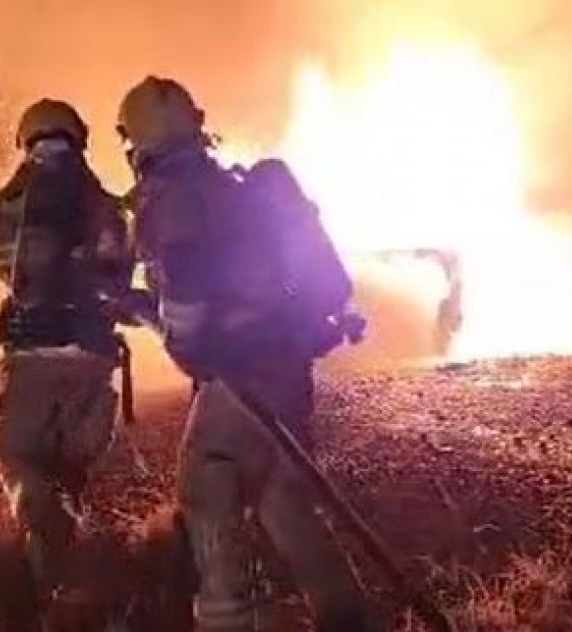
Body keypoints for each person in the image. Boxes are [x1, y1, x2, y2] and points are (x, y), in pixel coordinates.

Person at [117, 76, 380, 632]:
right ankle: (347, 618)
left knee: (204, 490)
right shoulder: (234, 188)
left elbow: (190, 337)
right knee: (284, 503)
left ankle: (228, 618)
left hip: (236, 381)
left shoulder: (175, 205)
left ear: (137, 145)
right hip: (286, 368)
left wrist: (144, 312)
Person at [0, 99, 133, 602]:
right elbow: (119, 273)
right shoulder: (107, 203)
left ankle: (54, 585)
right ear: (78, 139)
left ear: (25, 140)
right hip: (92, 353)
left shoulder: (3, 205)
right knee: (70, 469)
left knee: (22, 459)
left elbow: (9, 272)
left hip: (31, 352)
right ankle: (71, 574)